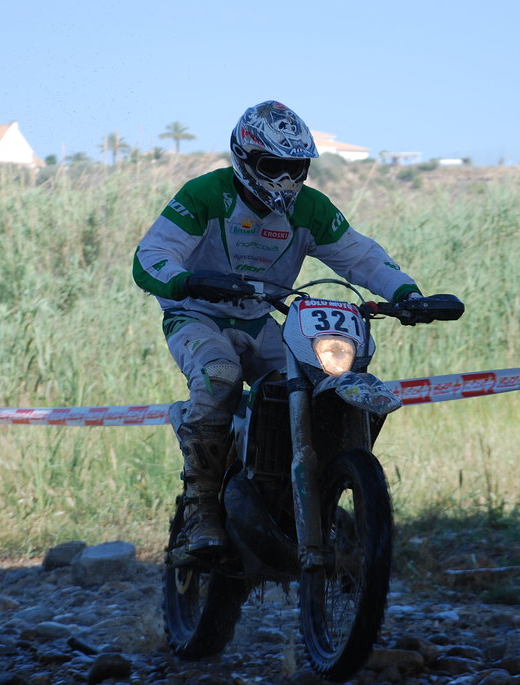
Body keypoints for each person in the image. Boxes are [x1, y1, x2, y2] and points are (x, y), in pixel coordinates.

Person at [133, 100, 423, 556]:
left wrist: (407, 292)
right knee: (220, 379)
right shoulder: (205, 194)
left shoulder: (309, 208)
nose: (287, 180)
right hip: (197, 316)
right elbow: (150, 256)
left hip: (261, 319)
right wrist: (185, 279)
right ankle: (200, 511)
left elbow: (360, 255)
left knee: (324, 381)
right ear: (245, 159)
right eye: (275, 166)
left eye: (297, 167)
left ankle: (315, 487)